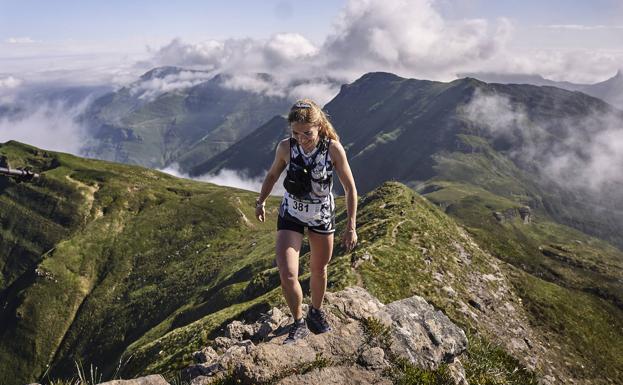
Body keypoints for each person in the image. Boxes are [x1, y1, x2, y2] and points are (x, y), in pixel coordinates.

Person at [255, 99, 358, 344]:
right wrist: (261, 201)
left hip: (321, 216)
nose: (301, 138)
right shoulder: (285, 148)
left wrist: (351, 226)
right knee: (287, 272)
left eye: (307, 133)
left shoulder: (333, 149)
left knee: (318, 269)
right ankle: (298, 321)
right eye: (296, 133)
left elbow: (350, 188)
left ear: (319, 126)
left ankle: (316, 312)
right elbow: (272, 174)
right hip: (291, 214)